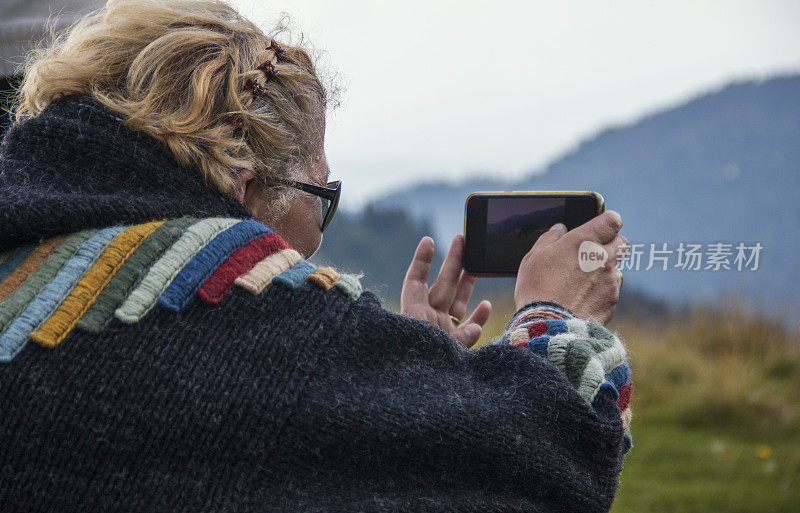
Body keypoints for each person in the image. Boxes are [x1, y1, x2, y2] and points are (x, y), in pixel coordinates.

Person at [0, 1, 633, 512]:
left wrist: (399, 377)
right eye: (320, 195)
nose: (319, 237)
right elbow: (540, 466)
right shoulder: (254, 321)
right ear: (242, 185)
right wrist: (557, 315)